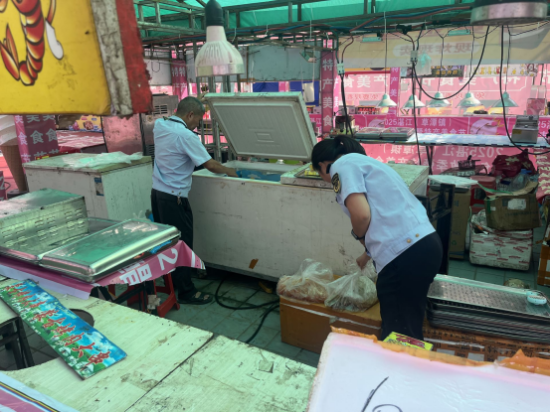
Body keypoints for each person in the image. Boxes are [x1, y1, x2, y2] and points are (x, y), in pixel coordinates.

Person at [311, 135, 442, 340]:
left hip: (404, 256)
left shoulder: (340, 166)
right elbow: (386, 217)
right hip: (424, 246)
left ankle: (399, 360)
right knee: (408, 324)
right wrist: (367, 254)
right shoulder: (373, 166)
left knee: (398, 332)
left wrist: (359, 236)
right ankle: (409, 357)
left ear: (322, 165)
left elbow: (362, 215)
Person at [151, 96, 237, 305]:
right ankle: (186, 292)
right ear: (190, 115)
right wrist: (231, 172)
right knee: (182, 245)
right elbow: (211, 165)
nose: (197, 125)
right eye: (198, 120)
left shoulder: (160, 125)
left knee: (168, 244)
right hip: (175, 198)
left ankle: (173, 281)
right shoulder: (186, 136)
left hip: (157, 194)